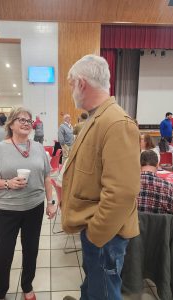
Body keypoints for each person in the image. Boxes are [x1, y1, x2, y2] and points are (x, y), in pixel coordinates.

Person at [61, 55, 141, 300]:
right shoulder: (97, 118)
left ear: (82, 84)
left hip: (105, 236)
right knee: (95, 288)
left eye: (72, 84)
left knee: (104, 294)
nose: (72, 90)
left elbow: (122, 194)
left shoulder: (116, 122)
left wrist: (95, 235)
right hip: (98, 232)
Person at [0, 107, 57, 300]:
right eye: (20, 119)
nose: (25, 123)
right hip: (7, 210)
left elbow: (47, 177)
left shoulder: (38, 147)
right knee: (3, 253)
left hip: (35, 207)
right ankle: (0, 292)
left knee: (31, 249)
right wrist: (7, 183)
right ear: (11, 124)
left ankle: (27, 285)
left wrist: (51, 201)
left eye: (28, 120)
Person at [138, 150, 173, 214]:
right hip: (161, 224)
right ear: (157, 165)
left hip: (136, 223)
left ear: (139, 164)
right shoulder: (168, 187)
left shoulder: (130, 186)